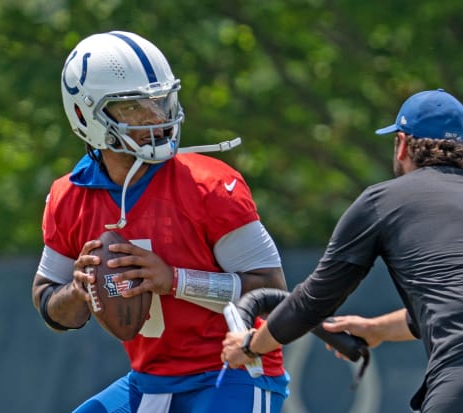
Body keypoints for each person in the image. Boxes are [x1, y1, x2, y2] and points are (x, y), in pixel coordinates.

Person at [222, 89, 463, 412]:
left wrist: (253, 344)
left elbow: (316, 298)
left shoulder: (383, 200)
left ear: (403, 144)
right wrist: (376, 329)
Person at [31, 30, 289, 413]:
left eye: (160, 101)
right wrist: (79, 290)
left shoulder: (209, 184)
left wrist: (176, 281)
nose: (157, 118)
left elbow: (274, 293)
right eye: (135, 107)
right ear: (87, 115)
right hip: (149, 380)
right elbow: (49, 301)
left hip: (232, 372)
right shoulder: (70, 196)